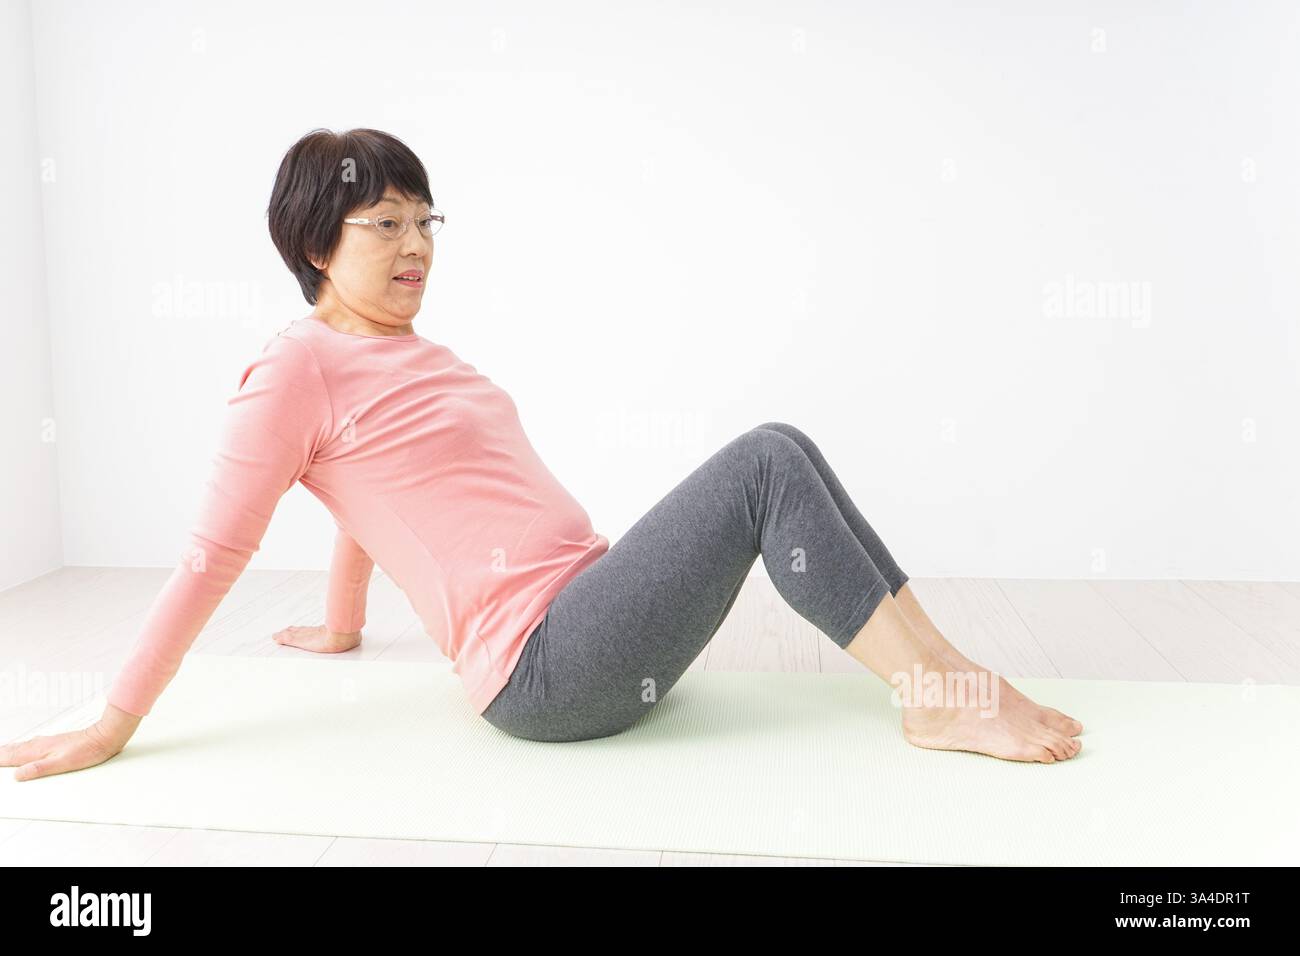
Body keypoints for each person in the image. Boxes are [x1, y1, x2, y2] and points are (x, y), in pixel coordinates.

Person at [0, 128, 1082, 783]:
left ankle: (945, 676)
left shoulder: (399, 357)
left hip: (595, 614)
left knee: (782, 445)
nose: (417, 244)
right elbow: (208, 558)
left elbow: (360, 497)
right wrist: (111, 719)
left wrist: (342, 625)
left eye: (427, 220)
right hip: (547, 670)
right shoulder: (292, 371)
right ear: (314, 246)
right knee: (764, 461)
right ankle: (934, 693)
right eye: (385, 224)